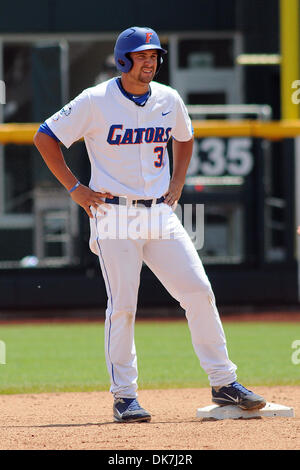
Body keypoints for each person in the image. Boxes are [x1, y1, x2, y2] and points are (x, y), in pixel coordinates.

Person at [33, 26, 266, 423]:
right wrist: (74, 188)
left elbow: (185, 137)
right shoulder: (95, 100)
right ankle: (125, 396)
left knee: (198, 291)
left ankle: (224, 382)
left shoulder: (168, 98)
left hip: (160, 213)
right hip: (114, 215)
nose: (150, 62)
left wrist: (178, 182)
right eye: (142, 56)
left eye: (155, 56)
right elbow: (45, 136)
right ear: (124, 60)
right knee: (123, 306)